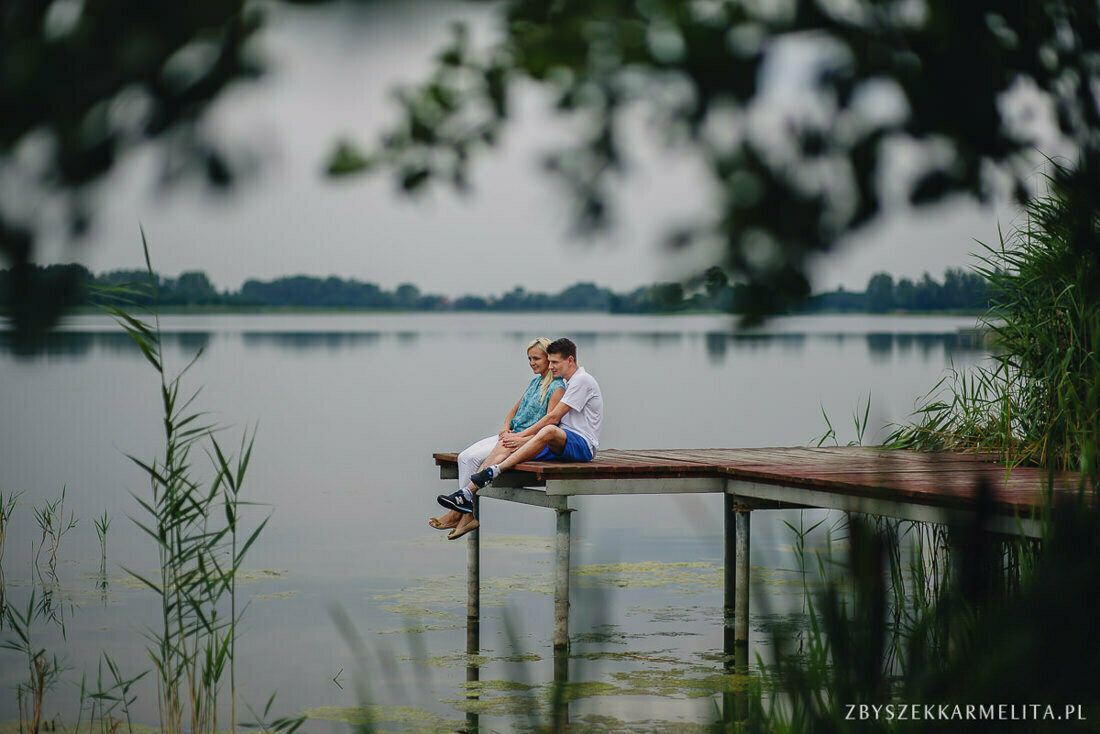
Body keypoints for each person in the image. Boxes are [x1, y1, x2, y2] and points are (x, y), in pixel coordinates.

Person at [439, 337, 602, 538]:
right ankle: (467, 493)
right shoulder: (566, 381)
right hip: (560, 441)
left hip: (582, 444)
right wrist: (512, 433)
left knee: (544, 432)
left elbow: (553, 417)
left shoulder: (581, 380)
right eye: (549, 362)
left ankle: (493, 472)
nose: (550, 367)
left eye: (554, 362)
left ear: (570, 360)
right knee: (507, 444)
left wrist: (522, 436)